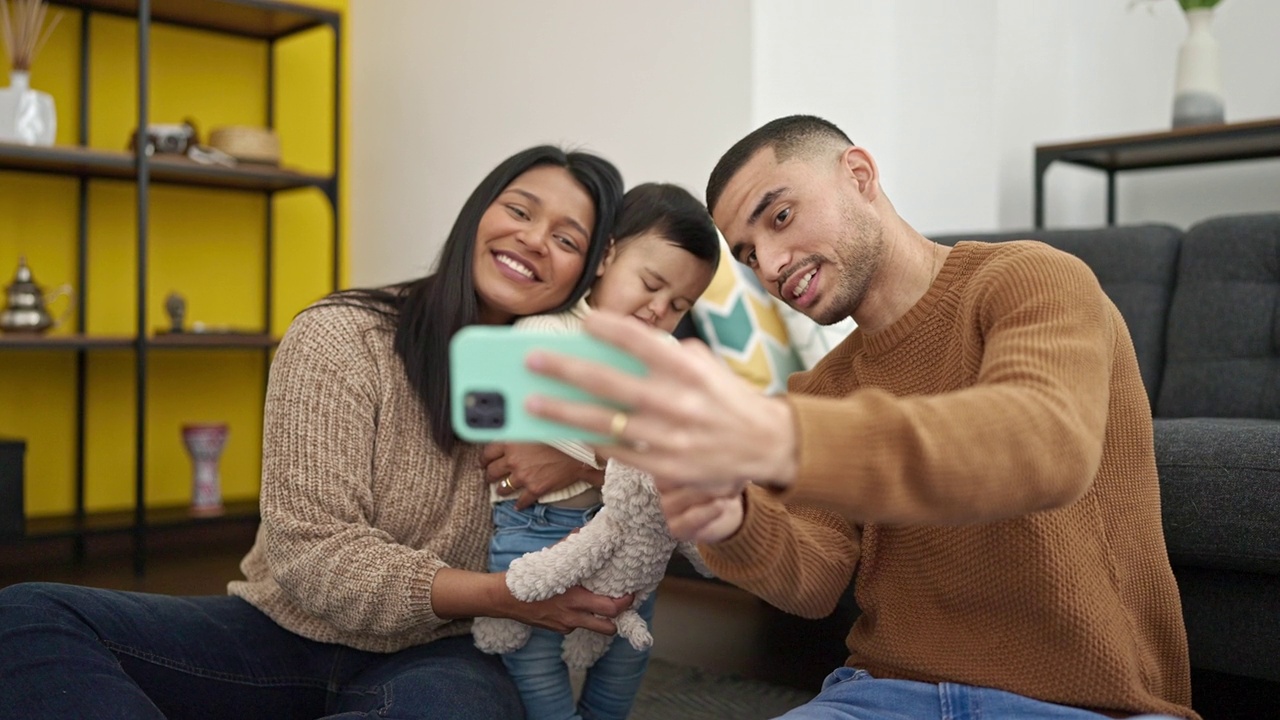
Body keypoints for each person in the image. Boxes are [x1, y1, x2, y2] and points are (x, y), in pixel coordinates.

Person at [519, 116, 1199, 720]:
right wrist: (734, 519)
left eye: (779, 217)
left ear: (859, 174)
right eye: (750, 255)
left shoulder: (1031, 279)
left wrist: (774, 437)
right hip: (880, 694)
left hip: (1088, 703)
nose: (774, 267)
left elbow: (1044, 444)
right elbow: (814, 582)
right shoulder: (821, 387)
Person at [0, 145, 631, 720]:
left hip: (442, 657)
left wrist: (581, 463)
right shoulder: (344, 337)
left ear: (588, 273)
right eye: (519, 210)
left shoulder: (581, 375)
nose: (533, 239)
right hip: (276, 633)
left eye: (567, 239)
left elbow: (673, 486)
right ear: (478, 214)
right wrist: (504, 596)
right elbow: (312, 552)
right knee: (25, 617)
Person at [483, 182, 719, 720]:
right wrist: (620, 447)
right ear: (607, 256)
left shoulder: (664, 357)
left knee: (625, 654)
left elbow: (671, 452)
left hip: (630, 542)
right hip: (535, 529)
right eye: (651, 284)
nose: (660, 309)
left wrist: (585, 460)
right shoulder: (547, 330)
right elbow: (531, 416)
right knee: (534, 660)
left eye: (680, 305)